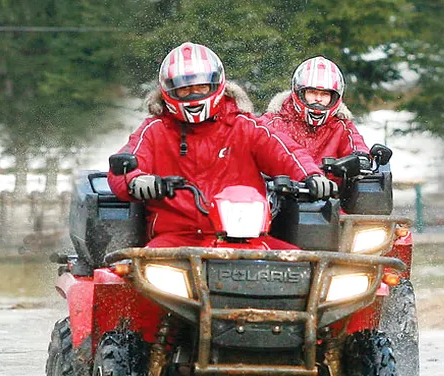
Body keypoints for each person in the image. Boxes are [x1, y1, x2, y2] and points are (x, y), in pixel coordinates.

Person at [107, 42, 337, 249]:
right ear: (168, 91)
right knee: (141, 277)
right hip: (176, 239)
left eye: (201, 88)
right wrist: (136, 180)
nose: (193, 94)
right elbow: (124, 165)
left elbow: (287, 152)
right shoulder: (155, 130)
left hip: (248, 237)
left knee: (306, 268)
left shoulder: (244, 126)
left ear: (217, 85)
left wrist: (312, 176)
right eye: (184, 89)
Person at [259, 56, 369, 164]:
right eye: (312, 92)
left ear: (335, 97)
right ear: (299, 92)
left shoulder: (341, 126)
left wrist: (361, 157)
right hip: (284, 180)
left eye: (325, 94)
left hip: (331, 182)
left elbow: (355, 143)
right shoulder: (273, 122)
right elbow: (251, 139)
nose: (318, 99)